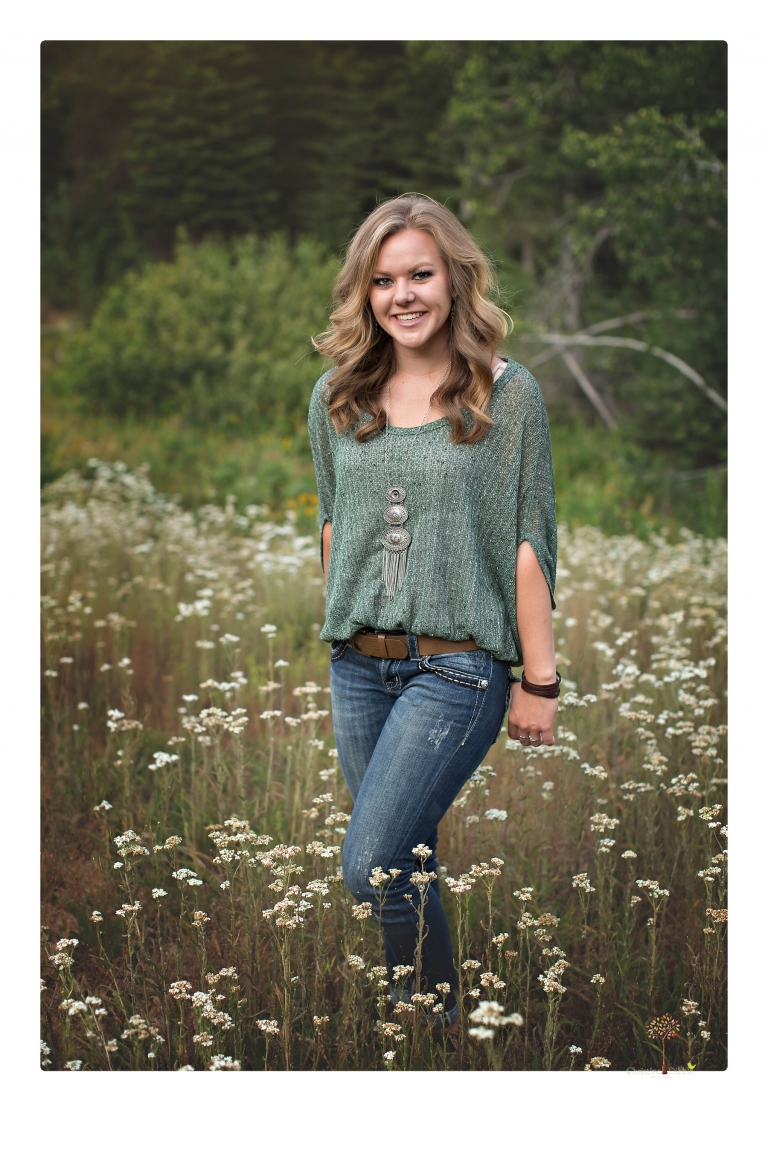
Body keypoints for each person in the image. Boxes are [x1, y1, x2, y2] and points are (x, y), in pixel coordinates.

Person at [308, 194, 558, 1030]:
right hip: (357, 667)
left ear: (454, 278)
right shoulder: (339, 394)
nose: (402, 294)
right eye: (383, 280)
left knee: (370, 863)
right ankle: (428, 1022)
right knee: (407, 861)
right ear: (364, 292)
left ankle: (427, 1011)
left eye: (420, 273)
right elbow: (335, 523)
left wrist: (540, 681)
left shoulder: (503, 393)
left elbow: (529, 541)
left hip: (457, 671)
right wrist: (343, 618)